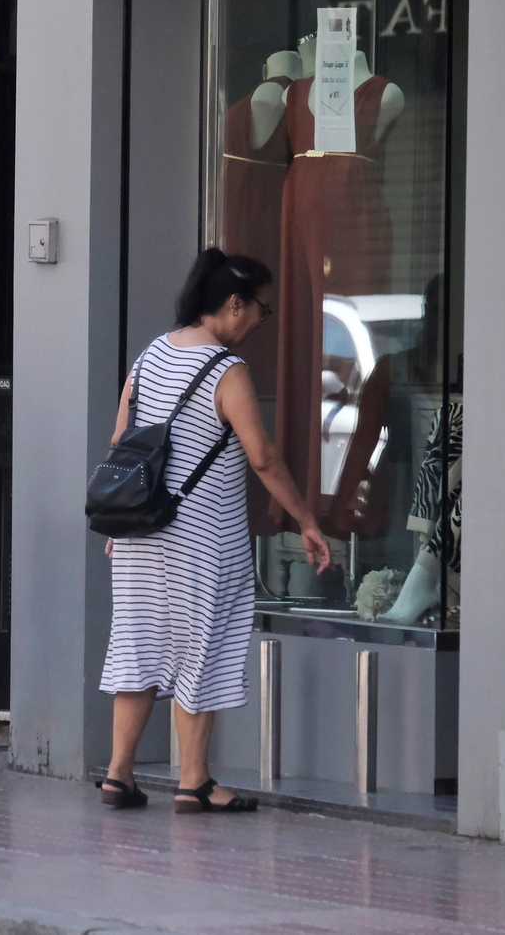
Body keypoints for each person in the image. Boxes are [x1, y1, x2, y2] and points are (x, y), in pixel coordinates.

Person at [98, 249, 330, 813]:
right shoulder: (227, 371)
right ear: (233, 304)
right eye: (260, 310)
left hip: (139, 533)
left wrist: (119, 521)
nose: (259, 321)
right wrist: (305, 520)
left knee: (138, 648)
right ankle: (194, 781)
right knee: (201, 648)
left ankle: (118, 774)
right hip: (203, 538)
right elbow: (265, 458)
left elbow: (120, 442)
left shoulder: (150, 355)